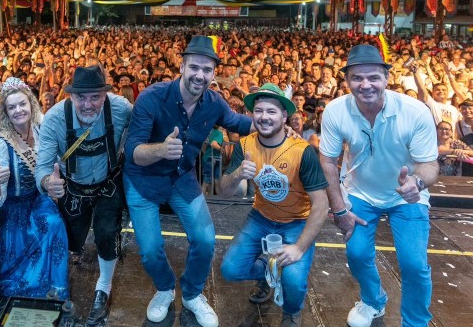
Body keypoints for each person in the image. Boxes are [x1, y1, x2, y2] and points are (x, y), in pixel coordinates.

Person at [123, 36, 252, 327]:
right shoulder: (152, 97)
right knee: (150, 248)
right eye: (194, 67)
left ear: (214, 73)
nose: (200, 75)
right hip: (143, 181)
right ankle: (165, 288)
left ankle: (192, 294)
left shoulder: (214, 103)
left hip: (181, 178)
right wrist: (160, 150)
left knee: (206, 240)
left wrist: (270, 119)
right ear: (181, 66)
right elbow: (133, 152)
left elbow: (236, 122)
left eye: (207, 70)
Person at [319, 44, 439, 327]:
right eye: (357, 78)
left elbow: (431, 165)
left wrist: (417, 183)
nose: (365, 84)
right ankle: (373, 301)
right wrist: (338, 208)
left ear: (386, 77)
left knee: (414, 265)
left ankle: (416, 323)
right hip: (360, 192)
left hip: (407, 196)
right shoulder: (336, 111)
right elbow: (327, 162)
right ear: (347, 80)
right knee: (357, 253)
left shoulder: (415, 111)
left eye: (373, 77)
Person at [218, 83, 328, 327]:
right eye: (259, 111)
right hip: (261, 217)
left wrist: (299, 247)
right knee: (230, 270)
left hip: (297, 222)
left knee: (294, 282)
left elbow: (321, 205)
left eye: (271, 112)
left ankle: (291, 311)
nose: (264, 117)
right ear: (252, 114)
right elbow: (224, 192)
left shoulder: (301, 151)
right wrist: (237, 175)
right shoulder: (245, 145)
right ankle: (269, 272)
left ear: (284, 117)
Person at [35, 64, 132, 326]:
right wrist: (47, 182)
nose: (88, 104)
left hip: (107, 185)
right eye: (81, 97)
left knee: (105, 234)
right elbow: (42, 166)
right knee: (71, 243)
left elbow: (144, 130)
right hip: (73, 188)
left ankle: (104, 286)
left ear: (105, 95)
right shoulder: (54, 118)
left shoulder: (121, 108)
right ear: (71, 95)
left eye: (95, 97)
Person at [0, 77, 69, 299]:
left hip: (39, 200)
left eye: (22, 104)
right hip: (14, 209)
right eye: (11, 107)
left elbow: (59, 162)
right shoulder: (3, 143)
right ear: (5, 112)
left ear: (31, 104)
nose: (18, 110)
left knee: (52, 221)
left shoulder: (42, 131)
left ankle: (55, 288)